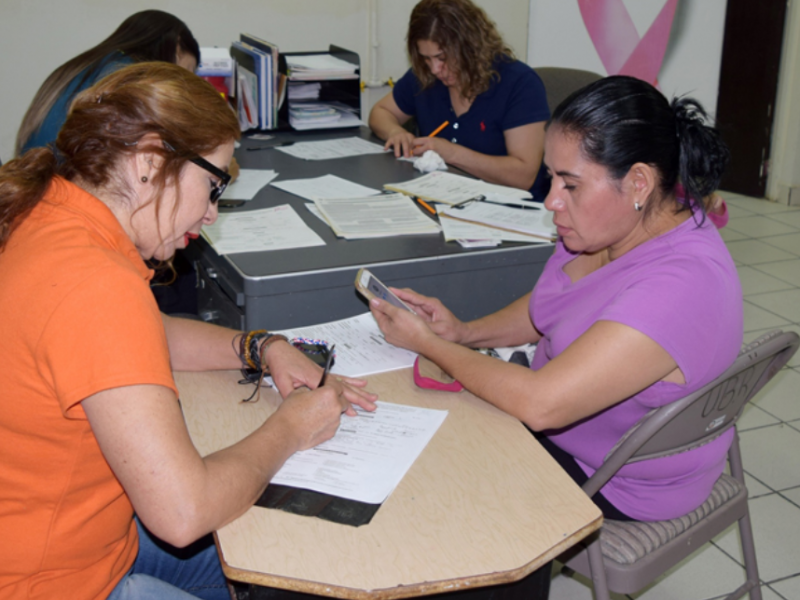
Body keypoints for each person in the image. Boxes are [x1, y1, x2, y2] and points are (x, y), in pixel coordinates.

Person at [0, 62, 377, 600]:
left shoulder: (50, 217)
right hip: (53, 581)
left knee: (265, 560)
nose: (212, 213)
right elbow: (183, 512)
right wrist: (293, 428)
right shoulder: (96, 284)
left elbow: (145, 334)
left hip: (61, 538)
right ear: (151, 161)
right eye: (214, 184)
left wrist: (260, 346)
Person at [369, 76, 742, 525]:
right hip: (573, 430)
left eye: (570, 185)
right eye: (551, 178)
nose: (551, 201)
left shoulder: (679, 286)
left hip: (613, 479)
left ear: (639, 182)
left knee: (422, 468)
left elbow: (541, 405)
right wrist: (464, 332)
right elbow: (552, 309)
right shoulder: (608, 226)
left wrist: (432, 346)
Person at [368, 0, 550, 199]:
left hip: (506, 209)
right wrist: (395, 131)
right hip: (442, 199)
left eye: (442, 58)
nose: (435, 69)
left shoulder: (519, 83)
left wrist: (452, 153)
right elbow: (381, 112)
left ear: (470, 47)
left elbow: (523, 176)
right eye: (426, 59)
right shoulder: (425, 77)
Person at [16, 10, 200, 156]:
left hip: (32, 186)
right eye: (187, 71)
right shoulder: (128, 76)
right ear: (177, 47)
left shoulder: (81, 66)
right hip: (64, 191)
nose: (184, 84)